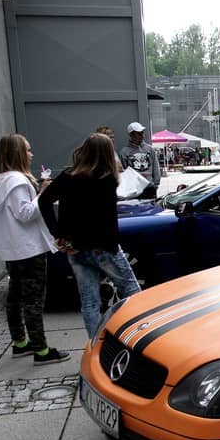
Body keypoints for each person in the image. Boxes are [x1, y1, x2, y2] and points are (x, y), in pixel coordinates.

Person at [38, 133, 142, 338]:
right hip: (102, 246)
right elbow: (106, 219)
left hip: (74, 247)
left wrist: (57, 233)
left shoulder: (68, 176)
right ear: (107, 154)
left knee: (89, 301)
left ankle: (95, 344)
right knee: (132, 290)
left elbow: (44, 201)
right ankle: (138, 335)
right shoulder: (106, 180)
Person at [0, 135, 70, 365]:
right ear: (17, 153)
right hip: (29, 249)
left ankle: (20, 342)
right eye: (27, 150)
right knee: (33, 300)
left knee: (15, 297)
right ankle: (41, 350)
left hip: (13, 249)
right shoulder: (18, 182)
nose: (31, 154)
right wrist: (43, 193)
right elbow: (25, 214)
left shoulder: (0, 181)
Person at [119, 122, 160, 199]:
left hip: (149, 187)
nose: (141, 135)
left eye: (142, 133)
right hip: (134, 189)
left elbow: (155, 166)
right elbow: (125, 172)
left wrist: (156, 184)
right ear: (131, 135)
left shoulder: (150, 149)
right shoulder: (124, 152)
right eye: (138, 133)